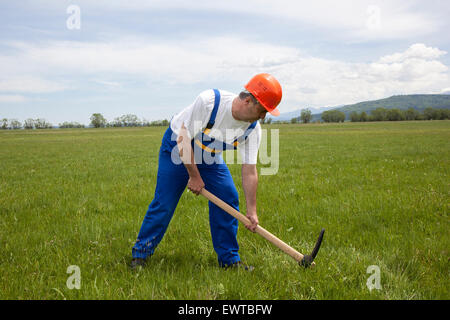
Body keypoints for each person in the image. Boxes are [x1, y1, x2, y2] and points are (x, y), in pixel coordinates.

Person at [130, 73, 282, 270]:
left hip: (209, 155)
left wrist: (251, 210)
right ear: (248, 100)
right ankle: (140, 254)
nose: (263, 117)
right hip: (177, 149)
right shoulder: (210, 103)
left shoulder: (253, 130)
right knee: (164, 203)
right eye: (262, 110)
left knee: (228, 197)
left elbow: (249, 170)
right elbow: (182, 139)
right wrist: (194, 176)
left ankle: (229, 260)